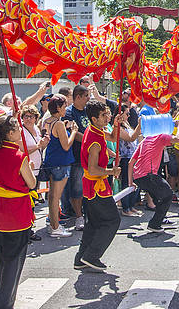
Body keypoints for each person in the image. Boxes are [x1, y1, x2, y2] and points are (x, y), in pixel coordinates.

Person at [0, 116, 37, 309]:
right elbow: (31, 183)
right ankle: (4, 303)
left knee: (5, 255)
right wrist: (29, 168)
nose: (20, 131)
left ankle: (5, 297)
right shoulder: (18, 156)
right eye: (17, 128)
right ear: (9, 133)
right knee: (15, 258)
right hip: (16, 209)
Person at [74, 101, 122, 272]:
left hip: (94, 186)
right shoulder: (94, 139)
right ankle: (92, 256)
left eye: (107, 114)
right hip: (96, 187)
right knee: (112, 220)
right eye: (104, 115)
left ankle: (81, 258)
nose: (107, 117)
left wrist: (115, 124)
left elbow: (112, 138)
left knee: (93, 223)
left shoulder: (96, 130)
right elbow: (93, 169)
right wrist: (111, 171)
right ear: (94, 119)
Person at [130, 124, 179, 233]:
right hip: (149, 175)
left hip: (138, 177)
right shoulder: (160, 136)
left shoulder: (145, 140)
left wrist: (130, 182)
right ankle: (155, 224)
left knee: (158, 198)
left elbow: (131, 163)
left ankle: (160, 219)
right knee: (168, 195)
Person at [41, 94, 75, 238]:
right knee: (55, 197)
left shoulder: (46, 121)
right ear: (59, 108)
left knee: (52, 196)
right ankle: (55, 226)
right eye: (64, 106)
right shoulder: (58, 124)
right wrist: (73, 132)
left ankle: (53, 223)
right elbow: (66, 145)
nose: (66, 109)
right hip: (61, 162)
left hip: (51, 160)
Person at [62, 85, 91, 229]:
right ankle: (79, 216)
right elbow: (74, 132)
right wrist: (90, 139)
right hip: (76, 156)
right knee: (77, 188)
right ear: (78, 97)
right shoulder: (69, 113)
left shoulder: (88, 111)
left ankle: (87, 213)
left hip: (90, 156)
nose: (88, 99)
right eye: (86, 96)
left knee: (87, 187)